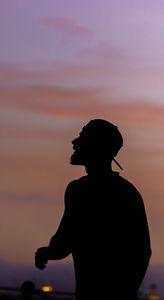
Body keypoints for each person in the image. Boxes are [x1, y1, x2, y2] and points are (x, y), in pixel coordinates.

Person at [35, 119, 151, 300]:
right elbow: (143, 251)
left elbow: (64, 243)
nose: (74, 143)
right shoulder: (129, 192)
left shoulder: (79, 190)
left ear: (96, 145)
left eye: (82, 137)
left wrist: (45, 253)